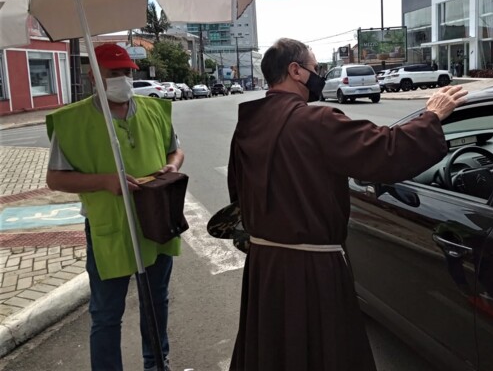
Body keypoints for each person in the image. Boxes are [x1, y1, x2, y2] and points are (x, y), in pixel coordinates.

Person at [227, 38, 467, 370]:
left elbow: (237, 194)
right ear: (295, 71)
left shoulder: (248, 124)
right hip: (312, 271)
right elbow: (383, 151)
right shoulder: (315, 121)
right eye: (315, 68)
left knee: (273, 351)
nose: (319, 75)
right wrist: (431, 116)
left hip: (264, 266)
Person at [45, 43, 185, 371]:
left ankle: (157, 365)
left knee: (156, 303)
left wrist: (172, 166)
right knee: (107, 314)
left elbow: (175, 150)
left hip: (155, 221)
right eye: (113, 73)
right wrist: (104, 181)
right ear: (94, 75)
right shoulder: (72, 121)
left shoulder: (154, 110)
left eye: (126, 73)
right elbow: (55, 178)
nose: (121, 79)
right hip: (110, 228)